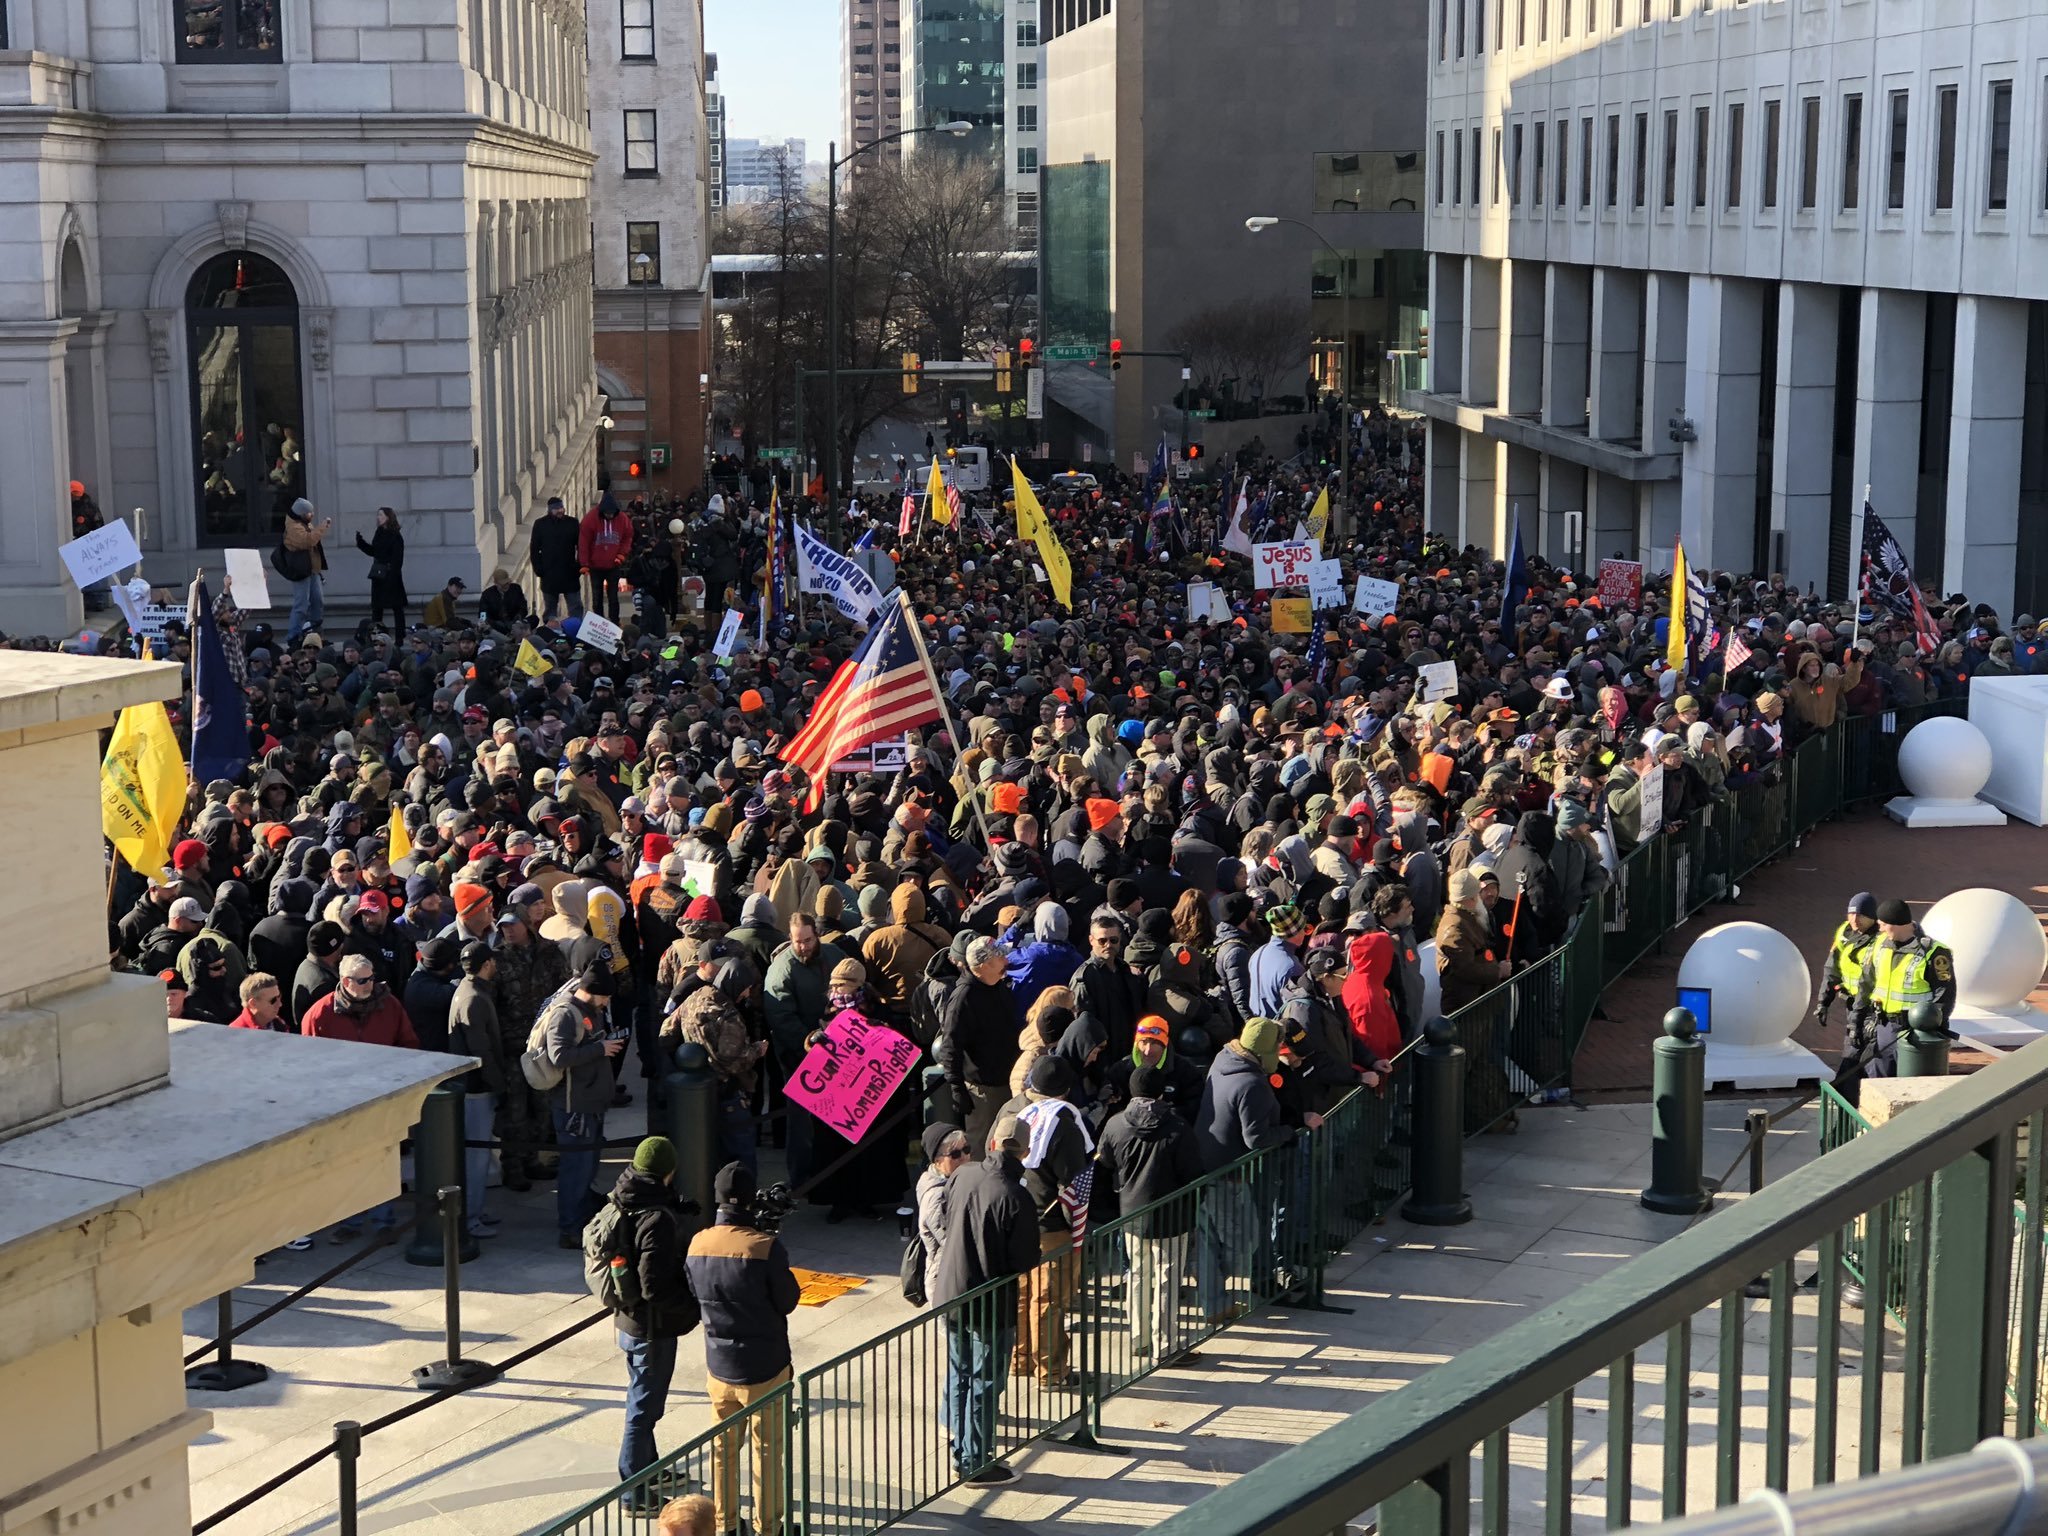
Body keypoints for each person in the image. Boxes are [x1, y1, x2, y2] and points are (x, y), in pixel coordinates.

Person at [685, 1162, 800, 1536]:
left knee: (722, 1450)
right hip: (765, 1366)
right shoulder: (764, 1247)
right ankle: (769, 1528)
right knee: (766, 1453)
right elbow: (787, 1301)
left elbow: (693, 1292)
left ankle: (725, 1524)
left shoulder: (697, 1242)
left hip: (719, 1365)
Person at [930, 1114, 1040, 1486]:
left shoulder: (965, 1174)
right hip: (988, 1303)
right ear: (1025, 1152)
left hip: (952, 1293)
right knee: (984, 1382)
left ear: (992, 1142)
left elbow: (947, 1216)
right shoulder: (1016, 1195)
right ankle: (974, 1461)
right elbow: (1025, 1260)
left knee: (961, 1374)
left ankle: (962, 1450)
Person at [605, 1137, 702, 1514]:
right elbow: (654, 1285)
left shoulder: (624, 1194)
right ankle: (634, 1492)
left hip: (628, 1320)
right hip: (652, 1327)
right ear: (668, 1171)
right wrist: (691, 1308)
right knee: (643, 1409)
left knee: (643, 1400)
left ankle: (651, 1469)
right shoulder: (656, 1218)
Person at [1094, 1062, 1205, 1364]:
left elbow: (1104, 1166)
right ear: (1161, 1092)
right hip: (1172, 1216)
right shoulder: (1178, 1127)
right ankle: (1165, 1345)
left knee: (1138, 1275)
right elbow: (1194, 1173)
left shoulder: (1115, 1124)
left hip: (1131, 1214)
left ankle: (1138, 1338)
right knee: (1167, 1279)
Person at [541, 962, 626, 1248]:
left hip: (588, 1102)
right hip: (573, 1106)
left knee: (586, 1167)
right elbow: (559, 1056)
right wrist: (599, 1049)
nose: (608, 1001)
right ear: (593, 991)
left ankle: (580, 1217)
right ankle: (569, 1227)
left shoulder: (590, 1012)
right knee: (575, 1169)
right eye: (606, 996)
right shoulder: (566, 1014)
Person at [1846, 898, 1959, 1082]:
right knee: (1879, 1082)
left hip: (1916, 1032)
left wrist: (1932, 1026)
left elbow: (1945, 995)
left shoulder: (1934, 952)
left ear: (1896, 924)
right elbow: (1865, 985)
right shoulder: (1879, 946)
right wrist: (1855, 1022)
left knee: (1914, 1083)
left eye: (1883, 924)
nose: (1880, 929)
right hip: (1883, 1027)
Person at [937, 935, 1018, 1155]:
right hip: (984, 1092)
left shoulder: (998, 986)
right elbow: (950, 1047)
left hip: (1007, 1081)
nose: (1006, 960)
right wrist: (957, 1089)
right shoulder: (963, 999)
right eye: (1000, 957)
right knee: (981, 1150)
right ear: (983, 966)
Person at [447, 941, 506, 1239]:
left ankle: (475, 1210)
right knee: (477, 1158)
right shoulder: (474, 999)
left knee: (478, 1156)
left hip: (475, 1087)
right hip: (476, 1090)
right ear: (486, 965)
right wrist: (500, 1086)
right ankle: (470, 1218)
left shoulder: (468, 992)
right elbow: (481, 1051)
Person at [915, 1121, 972, 1302]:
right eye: (955, 1154)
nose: (964, 1157)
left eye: (966, 1149)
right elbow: (952, 1242)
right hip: (946, 1283)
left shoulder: (956, 1180)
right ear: (938, 1162)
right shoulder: (936, 1196)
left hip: (959, 1277)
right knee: (951, 1330)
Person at [1814, 891, 1880, 1029]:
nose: (1854, 919)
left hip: (1872, 1008)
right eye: (1851, 914)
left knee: (1859, 1048)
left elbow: (1870, 979)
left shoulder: (1881, 939)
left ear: (1872, 917)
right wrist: (1823, 1002)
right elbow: (1832, 969)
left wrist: (1861, 1014)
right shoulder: (1845, 932)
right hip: (1852, 1003)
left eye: (1861, 915)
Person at [281, 496, 331, 643]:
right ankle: (293, 636)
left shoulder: (303, 523)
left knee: (317, 601)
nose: (312, 515)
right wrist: (322, 527)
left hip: (312, 569)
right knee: (301, 605)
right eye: (309, 513)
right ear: (301, 513)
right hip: (301, 571)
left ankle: (316, 634)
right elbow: (307, 541)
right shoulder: (293, 527)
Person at [580, 494, 635, 621]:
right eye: (607, 514)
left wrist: (621, 554)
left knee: (613, 597)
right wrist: (584, 564)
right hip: (595, 566)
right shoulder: (590, 519)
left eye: (612, 514)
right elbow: (584, 542)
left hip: (613, 564)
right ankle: (599, 622)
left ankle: (614, 622)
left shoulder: (622, 519)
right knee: (597, 597)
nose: (610, 516)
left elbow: (628, 537)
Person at [354, 506, 406, 634]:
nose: (378, 518)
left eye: (381, 515)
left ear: (388, 517)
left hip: (391, 575)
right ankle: (376, 635)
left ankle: (399, 637)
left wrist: (392, 574)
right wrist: (361, 543)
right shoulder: (379, 532)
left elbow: (398, 559)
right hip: (378, 574)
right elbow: (375, 551)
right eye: (378, 515)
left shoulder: (395, 536)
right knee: (377, 608)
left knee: (397, 607)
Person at [531, 495, 583, 620]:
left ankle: (576, 630)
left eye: (561, 508)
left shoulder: (572, 523)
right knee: (550, 609)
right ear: (550, 510)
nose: (560, 511)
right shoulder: (540, 524)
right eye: (556, 509)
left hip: (569, 571)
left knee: (575, 607)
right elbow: (534, 549)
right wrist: (538, 569)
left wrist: (579, 565)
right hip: (549, 573)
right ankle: (551, 631)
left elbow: (581, 546)